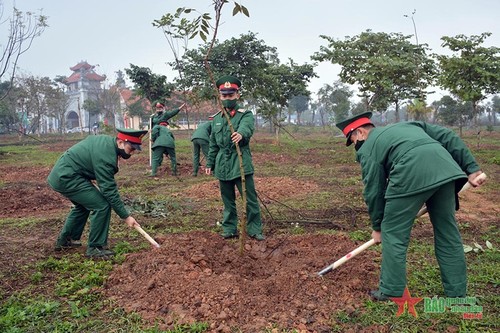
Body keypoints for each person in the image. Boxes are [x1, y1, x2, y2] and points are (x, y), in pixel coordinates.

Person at [335, 112, 484, 300]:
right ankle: (457, 294)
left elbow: (374, 190)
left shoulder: (368, 148)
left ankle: (390, 291)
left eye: (353, 140)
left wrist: (378, 226)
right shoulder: (407, 125)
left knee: (393, 233)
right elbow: (448, 136)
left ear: (361, 133)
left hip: (410, 174)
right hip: (446, 172)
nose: (355, 146)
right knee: (448, 232)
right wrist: (472, 169)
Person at [47, 128, 148, 259]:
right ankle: (95, 247)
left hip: (65, 174)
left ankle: (66, 241)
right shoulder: (106, 156)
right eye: (131, 148)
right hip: (66, 177)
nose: (132, 152)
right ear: (121, 142)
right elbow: (109, 191)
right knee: (102, 205)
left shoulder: (106, 143)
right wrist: (126, 216)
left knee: (83, 206)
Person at [205, 75, 264, 241]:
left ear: (237, 95)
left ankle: (254, 229)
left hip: (240, 163)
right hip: (222, 164)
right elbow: (213, 144)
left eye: (230, 95)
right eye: (224, 96)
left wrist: (241, 134)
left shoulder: (245, 115)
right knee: (227, 200)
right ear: (220, 96)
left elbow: (247, 128)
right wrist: (210, 162)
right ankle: (230, 228)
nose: (227, 98)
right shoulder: (216, 119)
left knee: (249, 199)